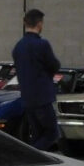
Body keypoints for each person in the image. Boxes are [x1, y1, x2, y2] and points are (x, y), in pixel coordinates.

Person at [12, 8, 61, 150]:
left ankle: (35, 159)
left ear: (24, 23)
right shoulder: (42, 44)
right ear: (40, 24)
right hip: (42, 98)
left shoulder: (18, 47)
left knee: (38, 134)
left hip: (27, 98)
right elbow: (54, 65)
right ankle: (31, 156)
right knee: (52, 132)